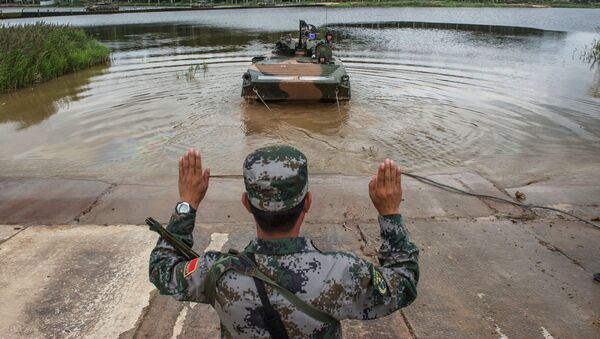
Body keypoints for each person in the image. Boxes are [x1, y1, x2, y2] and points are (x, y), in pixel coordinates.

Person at [149, 145, 419, 338]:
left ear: (246, 204)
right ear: (308, 203)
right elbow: (403, 282)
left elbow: (162, 267)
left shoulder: (217, 273)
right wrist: (390, 213)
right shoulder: (341, 272)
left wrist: (187, 204)